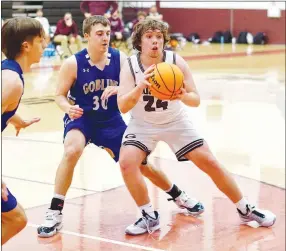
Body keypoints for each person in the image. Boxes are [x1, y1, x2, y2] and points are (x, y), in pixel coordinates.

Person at [37, 15, 204, 238]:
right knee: (71, 150)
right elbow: (58, 95)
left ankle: (179, 195)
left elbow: (134, 84)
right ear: (87, 36)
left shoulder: (120, 58)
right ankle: (54, 213)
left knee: (140, 164)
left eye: (107, 33)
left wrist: (120, 90)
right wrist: (67, 107)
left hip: (111, 119)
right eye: (99, 34)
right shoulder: (73, 63)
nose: (105, 38)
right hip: (83, 118)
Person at [117, 19, 277, 235]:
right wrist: (139, 87)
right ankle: (148, 216)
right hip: (143, 124)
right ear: (140, 41)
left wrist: (183, 95)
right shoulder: (130, 66)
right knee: (127, 162)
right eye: (149, 37)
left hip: (176, 121)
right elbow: (123, 105)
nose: (155, 41)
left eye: (158, 37)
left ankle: (245, 209)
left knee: (210, 161)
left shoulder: (175, 61)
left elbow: (195, 100)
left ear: (164, 41)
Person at [1, 17, 46, 245]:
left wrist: (16, 120)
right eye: (41, 40)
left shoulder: (10, 74)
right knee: (16, 219)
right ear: (26, 45)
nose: (45, 45)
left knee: (15, 218)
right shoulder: (11, 81)